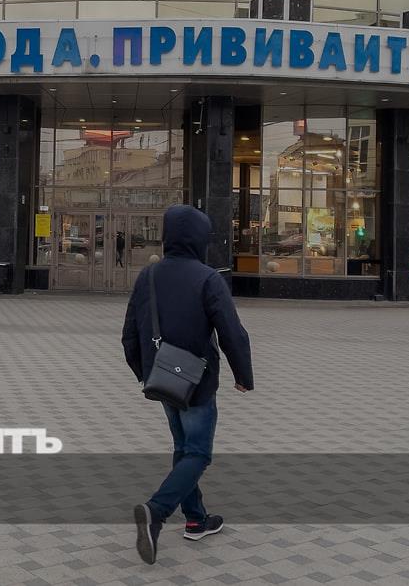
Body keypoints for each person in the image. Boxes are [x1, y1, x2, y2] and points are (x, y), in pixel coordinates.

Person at [122, 205, 254, 565]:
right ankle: (156, 512)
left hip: (164, 378)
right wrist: (243, 376)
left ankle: (196, 519)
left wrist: (144, 371)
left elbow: (130, 331)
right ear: (200, 238)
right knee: (198, 453)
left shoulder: (149, 275)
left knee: (183, 447)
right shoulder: (208, 278)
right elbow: (232, 332)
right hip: (197, 380)